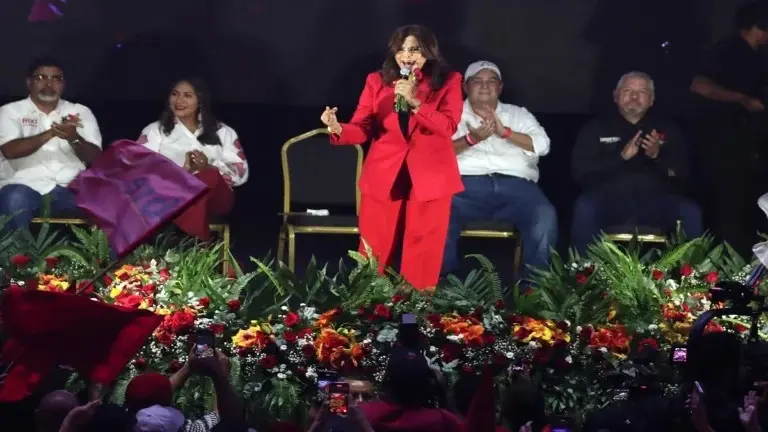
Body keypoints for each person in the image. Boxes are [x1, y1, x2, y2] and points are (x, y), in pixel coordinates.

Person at [320, 24, 463, 291]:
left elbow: (448, 127)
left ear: (429, 52)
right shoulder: (377, 81)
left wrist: (416, 102)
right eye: (402, 49)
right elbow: (362, 128)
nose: (407, 55)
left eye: (415, 49)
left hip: (430, 177)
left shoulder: (449, 80)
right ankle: (370, 311)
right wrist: (338, 128)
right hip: (385, 174)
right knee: (374, 248)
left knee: (423, 251)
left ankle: (414, 318)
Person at [441, 61, 556, 285]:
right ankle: (442, 284)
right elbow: (433, 153)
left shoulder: (518, 114)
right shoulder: (450, 115)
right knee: (437, 208)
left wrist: (505, 133)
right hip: (464, 187)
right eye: (478, 81)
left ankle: (534, 292)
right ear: (466, 87)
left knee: (544, 213)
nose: (485, 86)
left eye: (491, 81)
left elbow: (543, 145)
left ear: (500, 87)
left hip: (517, 190)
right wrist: (471, 139)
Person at [571, 71, 701, 252]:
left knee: (690, 210)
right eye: (627, 91)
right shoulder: (595, 128)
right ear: (615, 96)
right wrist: (621, 157)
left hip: (658, 202)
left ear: (652, 99)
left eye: (642, 92)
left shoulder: (668, 129)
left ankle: (691, 275)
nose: (634, 96)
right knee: (584, 206)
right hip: (609, 201)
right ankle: (581, 274)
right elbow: (580, 172)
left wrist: (656, 156)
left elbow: (682, 174)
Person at [689, 2, 768, 256]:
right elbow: (698, 85)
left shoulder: (759, 57)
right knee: (728, 209)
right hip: (724, 143)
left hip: (751, 146)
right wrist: (741, 99)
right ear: (755, 27)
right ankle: (726, 267)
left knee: (751, 208)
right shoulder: (725, 51)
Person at [137, 78, 248, 240]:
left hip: (216, 198)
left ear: (200, 100)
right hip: (170, 197)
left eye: (187, 95)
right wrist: (183, 172)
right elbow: (139, 171)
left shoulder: (223, 132)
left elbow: (241, 174)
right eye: (175, 94)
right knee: (191, 195)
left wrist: (207, 166)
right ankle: (200, 250)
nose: (179, 100)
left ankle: (171, 240)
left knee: (208, 177)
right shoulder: (155, 131)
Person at [0, 57, 102, 230]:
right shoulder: (10, 111)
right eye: (41, 78)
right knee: (14, 198)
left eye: (56, 79)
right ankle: (19, 257)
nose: (49, 84)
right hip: (24, 185)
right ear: (29, 82)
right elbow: (10, 150)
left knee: (108, 204)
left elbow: (97, 157)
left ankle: (104, 257)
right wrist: (51, 133)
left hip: (70, 189)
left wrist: (73, 138)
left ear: (63, 84)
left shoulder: (80, 111)